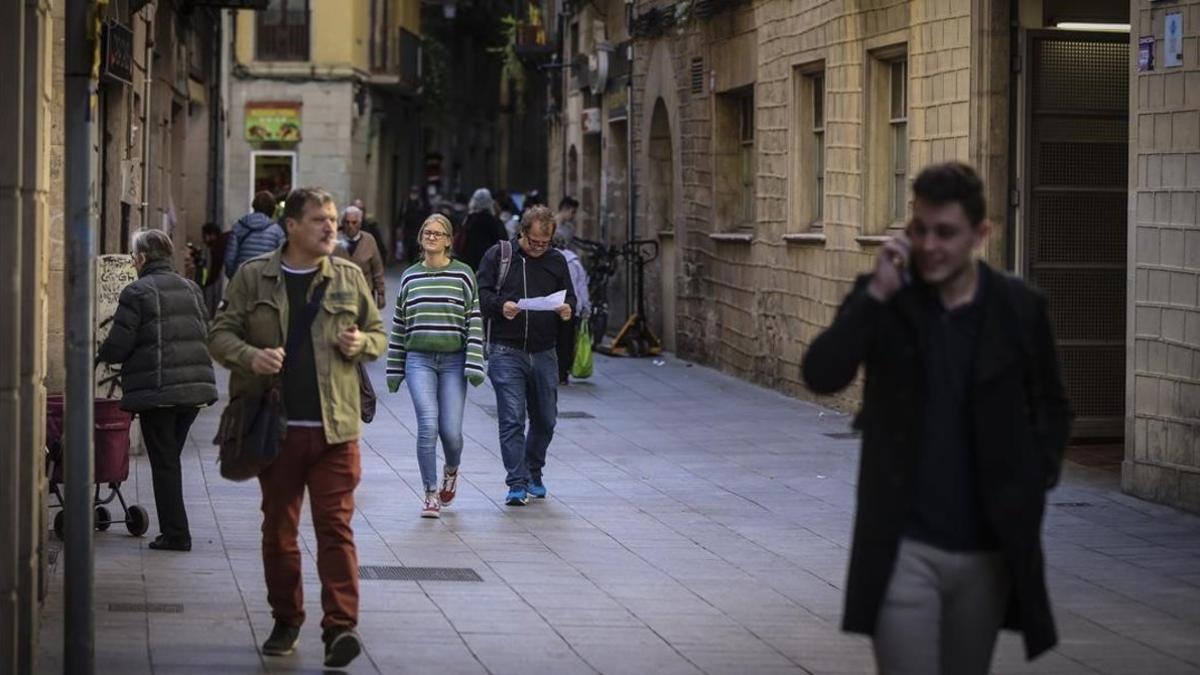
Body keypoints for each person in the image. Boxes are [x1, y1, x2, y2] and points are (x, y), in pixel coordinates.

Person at [800, 162, 1072, 675]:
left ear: (980, 234)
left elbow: (1052, 405)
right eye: (919, 229)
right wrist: (875, 296)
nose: (930, 246)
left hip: (986, 549)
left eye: (946, 233)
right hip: (903, 546)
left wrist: (1035, 478)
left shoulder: (1018, 309)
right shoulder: (887, 298)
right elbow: (821, 373)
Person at [208, 187, 386, 668]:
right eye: (319, 220)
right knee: (279, 531)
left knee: (335, 529)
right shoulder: (253, 278)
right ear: (291, 226)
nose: (331, 227)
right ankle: (286, 618)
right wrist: (252, 356)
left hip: (336, 430)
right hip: (277, 429)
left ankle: (340, 628)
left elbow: (379, 335)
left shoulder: (348, 277)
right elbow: (219, 334)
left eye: (333, 218)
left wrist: (360, 343)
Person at [97, 229, 218, 552]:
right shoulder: (191, 288)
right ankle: (175, 531)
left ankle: (177, 534)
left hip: (160, 392)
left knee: (165, 463)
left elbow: (119, 345)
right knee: (169, 461)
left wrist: (100, 353)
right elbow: (202, 332)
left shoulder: (136, 292)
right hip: (192, 393)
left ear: (142, 258)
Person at [386, 214, 486, 518]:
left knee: (451, 432)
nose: (431, 237)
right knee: (427, 424)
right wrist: (394, 369)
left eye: (438, 233)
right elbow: (399, 324)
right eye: (426, 232)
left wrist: (474, 363)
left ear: (448, 241)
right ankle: (430, 493)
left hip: (454, 360)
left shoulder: (463, 275)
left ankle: (451, 469)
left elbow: (474, 321)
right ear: (420, 238)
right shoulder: (410, 276)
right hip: (419, 360)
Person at [476, 205, 576, 506]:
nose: (538, 249)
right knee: (512, 418)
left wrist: (567, 309)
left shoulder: (556, 261)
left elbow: (569, 296)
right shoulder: (500, 255)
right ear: (523, 233)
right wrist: (500, 306)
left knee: (546, 419)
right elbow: (480, 295)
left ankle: (534, 470)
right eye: (534, 243)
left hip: (545, 350)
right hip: (506, 349)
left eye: (544, 244)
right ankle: (516, 482)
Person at [554, 234, 590, 385]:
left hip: (553, 306)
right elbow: (582, 286)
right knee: (567, 340)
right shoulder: (575, 261)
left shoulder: (552, 260)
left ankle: (555, 371)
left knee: (554, 340)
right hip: (571, 306)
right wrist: (585, 307)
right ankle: (563, 373)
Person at [335, 205, 387, 309]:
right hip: (339, 295)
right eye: (347, 222)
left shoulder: (369, 240)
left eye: (354, 222)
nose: (350, 226)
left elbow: (377, 269)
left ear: (360, 224)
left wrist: (381, 293)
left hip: (364, 294)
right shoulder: (334, 241)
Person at [226, 191, 286, 279]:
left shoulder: (239, 227)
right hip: (266, 279)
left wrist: (234, 276)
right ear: (272, 209)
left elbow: (229, 258)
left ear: (254, 206)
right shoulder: (277, 231)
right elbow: (282, 258)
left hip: (242, 276)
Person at [455, 188, 509, 271]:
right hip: (491, 266)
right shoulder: (495, 222)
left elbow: (460, 244)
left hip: (470, 266)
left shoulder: (468, 221)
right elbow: (504, 243)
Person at [200, 223, 227, 317]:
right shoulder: (224, 239)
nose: (204, 240)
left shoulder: (218, 245)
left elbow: (215, 270)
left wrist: (203, 284)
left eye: (204, 236)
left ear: (212, 235)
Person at [398, 185, 429, 265]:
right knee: (408, 248)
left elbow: (425, 215)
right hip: (407, 229)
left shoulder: (421, 203)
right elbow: (400, 215)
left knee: (416, 247)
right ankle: (410, 262)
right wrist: (398, 227)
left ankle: (415, 262)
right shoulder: (406, 203)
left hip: (418, 230)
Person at [350, 198, 387, 263]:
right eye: (356, 209)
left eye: (361, 209)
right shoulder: (345, 227)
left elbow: (381, 248)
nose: (359, 212)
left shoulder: (371, 226)